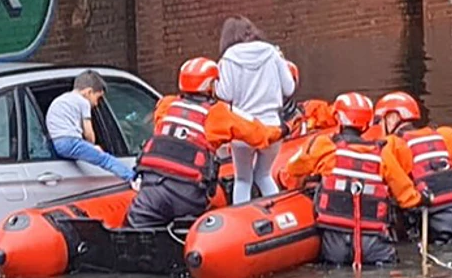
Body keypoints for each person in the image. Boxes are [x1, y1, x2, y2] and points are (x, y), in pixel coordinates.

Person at [125, 57, 290, 228]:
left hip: (151, 189)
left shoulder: (167, 105)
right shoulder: (216, 114)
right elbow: (257, 134)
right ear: (210, 85)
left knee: (134, 228)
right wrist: (281, 130)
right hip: (187, 195)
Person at [285, 92, 430, 266]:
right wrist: (423, 198)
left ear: (339, 118)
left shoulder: (324, 147)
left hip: (335, 241)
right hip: (374, 241)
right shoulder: (382, 154)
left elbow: (292, 168)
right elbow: (405, 196)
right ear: (368, 123)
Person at [372, 91, 452, 243]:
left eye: (379, 121)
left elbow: (401, 190)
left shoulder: (391, 146)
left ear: (391, 119)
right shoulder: (444, 134)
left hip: (439, 223)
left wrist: (415, 199)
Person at [216, 16, 296, 204]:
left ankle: (242, 222)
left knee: (243, 180)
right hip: (271, 128)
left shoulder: (228, 59)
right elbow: (289, 88)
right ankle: (276, 216)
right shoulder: (272, 52)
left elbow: (224, 93)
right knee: (264, 176)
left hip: (243, 130)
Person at [46, 70, 135, 182]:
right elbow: (89, 133)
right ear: (88, 92)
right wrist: (93, 146)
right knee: (105, 159)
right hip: (70, 141)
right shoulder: (83, 102)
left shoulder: (62, 99)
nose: (97, 104)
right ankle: (133, 178)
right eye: (98, 98)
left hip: (56, 143)